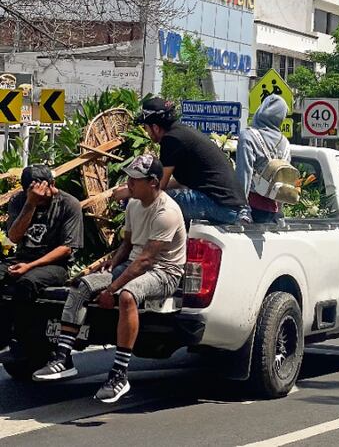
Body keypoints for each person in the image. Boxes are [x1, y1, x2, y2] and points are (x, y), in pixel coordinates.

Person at [35, 155, 186, 404]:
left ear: (153, 182)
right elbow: (127, 243)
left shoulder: (166, 212)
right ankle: (63, 357)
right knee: (82, 286)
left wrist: (113, 288)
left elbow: (146, 260)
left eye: (135, 179)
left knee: (126, 296)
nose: (129, 183)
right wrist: (112, 265)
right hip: (132, 265)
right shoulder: (134, 204)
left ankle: (119, 374)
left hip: (163, 271)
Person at [114, 97, 246, 225]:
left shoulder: (171, 140)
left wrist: (130, 193)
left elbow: (158, 187)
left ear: (155, 127)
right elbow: (179, 182)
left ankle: (143, 244)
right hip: (232, 207)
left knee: (147, 201)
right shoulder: (181, 132)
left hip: (219, 206)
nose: (147, 132)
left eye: (146, 127)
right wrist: (133, 187)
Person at [1, 165, 83, 352]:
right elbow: (13, 237)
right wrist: (30, 204)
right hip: (22, 257)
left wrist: (30, 266)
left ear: (52, 184)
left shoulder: (69, 204)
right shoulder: (20, 201)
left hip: (53, 264)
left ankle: (20, 339)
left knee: (27, 283)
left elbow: (67, 248)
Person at [236, 94, 290, 224]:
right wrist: (279, 213)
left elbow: (244, 174)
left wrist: (242, 210)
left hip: (252, 207)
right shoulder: (285, 142)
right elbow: (284, 179)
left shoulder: (248, 136)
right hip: (272, 211)